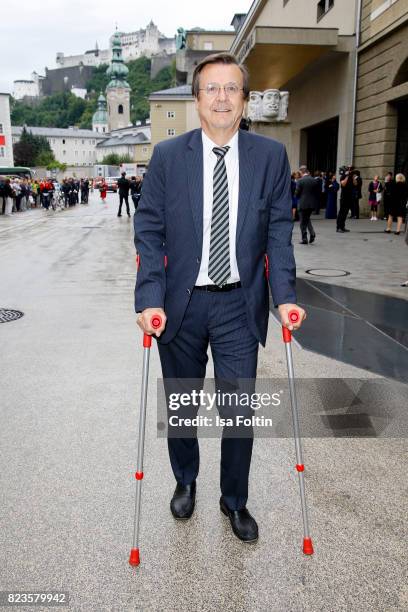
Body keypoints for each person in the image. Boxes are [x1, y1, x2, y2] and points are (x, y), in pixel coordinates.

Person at [134, 52, 306, 543]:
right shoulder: (169, 157)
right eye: (212, 88)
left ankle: (235, 500)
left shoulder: (269, 157)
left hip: (237, 303)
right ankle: (185, 480)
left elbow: (277, 231)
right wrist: (149, 297)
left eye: (232, 88)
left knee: (238, 412)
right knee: (183, 405)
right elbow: (149, 229)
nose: (222, 97)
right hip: (179, 304)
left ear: (245, 99)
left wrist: (286, 296)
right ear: (197, 100)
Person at [295, 166, 318, 244]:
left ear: (301, 172)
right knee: (307, 219)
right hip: (311, 204)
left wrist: (297, 196)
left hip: (303, 203)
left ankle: (304, 239)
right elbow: (317, 192)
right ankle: (312, 233)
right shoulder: (314, 180)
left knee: (302, 221)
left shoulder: (300, 181)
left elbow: (297, 194)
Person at [336, 166, 355, 232]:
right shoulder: (343, 176)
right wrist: (347, 176)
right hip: (344, 197)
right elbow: (343, 184)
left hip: (349, 197)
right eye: (348, 170)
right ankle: (338, 227)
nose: (349, 171)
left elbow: (355, 183)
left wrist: (352, 176)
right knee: (342, 212)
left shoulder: (351, 177)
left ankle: (343, 226)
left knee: (346, 213)